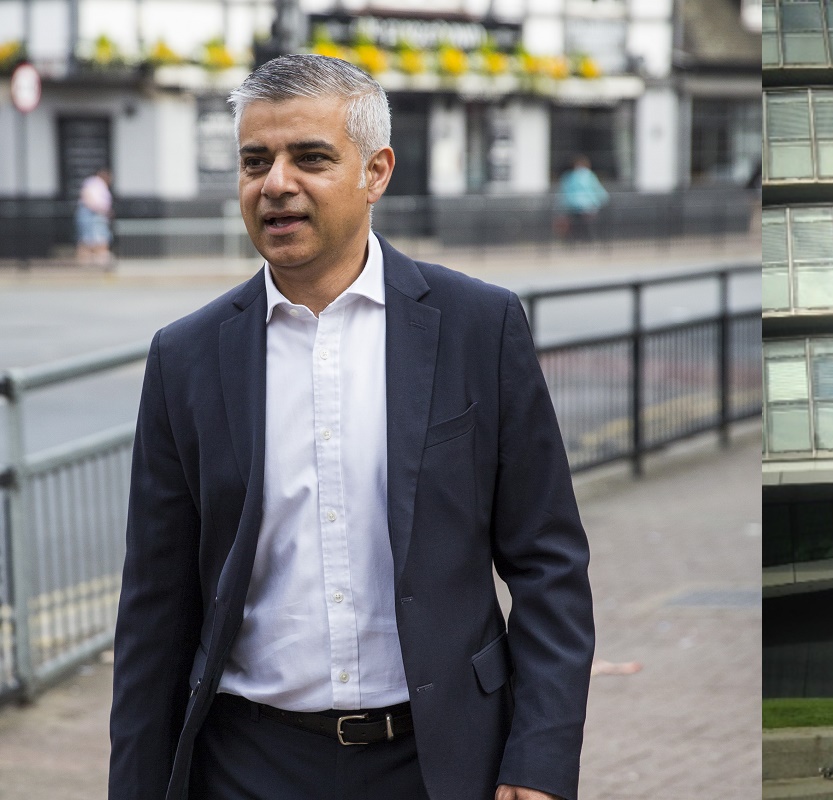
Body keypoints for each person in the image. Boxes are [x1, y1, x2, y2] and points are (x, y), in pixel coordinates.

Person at [108, 54, 594, 800]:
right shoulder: (186, 356)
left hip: (439, 765)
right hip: (246, 765)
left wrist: (539, 762)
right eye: (255, 160)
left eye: (309, 158)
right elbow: (154, 608)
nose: (276, 184)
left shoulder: (478, 327)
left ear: (376, 172)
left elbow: (548, 562)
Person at [556, 155, 607, 243]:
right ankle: (583, 240)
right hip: (578, 206)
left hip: (577, 206)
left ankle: (580, 240)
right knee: (580, 224)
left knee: (580, 224)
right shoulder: (576, 176)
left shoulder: (574, 176)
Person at [77, 167, 114, 266]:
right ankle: (87, 262)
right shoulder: (93, 183)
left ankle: (98, 261)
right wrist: (99, 209)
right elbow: (88, 197)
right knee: (89, 240)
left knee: (100, 238)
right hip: (93, 214)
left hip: (99, 214)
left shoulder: (99, 185)